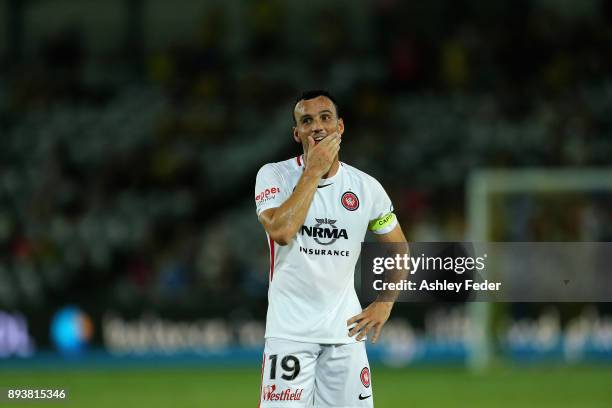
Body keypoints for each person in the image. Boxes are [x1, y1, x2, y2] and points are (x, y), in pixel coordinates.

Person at [254, 90, 408, 407]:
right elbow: (282, 231)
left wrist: (385, 303)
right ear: (297, 133)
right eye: (307, 121)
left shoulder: (367, 188)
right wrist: (313, 171)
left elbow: (399, 249)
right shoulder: (274, 175)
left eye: (326, 117)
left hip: (345, 335)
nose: (317, 127)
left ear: (340, 127)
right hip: (289, 335)